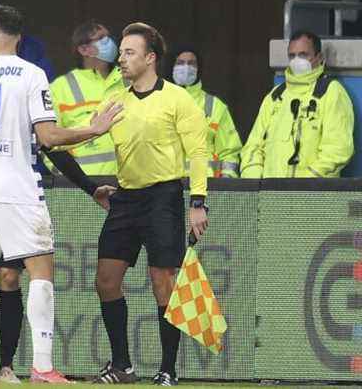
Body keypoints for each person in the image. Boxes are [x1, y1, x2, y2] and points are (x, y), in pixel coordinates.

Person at [0, 4, 122, 383]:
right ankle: (42, 366)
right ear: (19, 38)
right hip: (19, 189)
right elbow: (47, 137)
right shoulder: (32, 74)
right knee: (40, 270)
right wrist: (94, 130)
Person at [92, 22, 209, 386]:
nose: (121, 59)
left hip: (164, 197)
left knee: (164, 281)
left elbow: (198, 152)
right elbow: (85, 133)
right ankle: (122, 366)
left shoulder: (177, 98)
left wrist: (198, 202)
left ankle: (168, 370)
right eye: (121, 52)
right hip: (125, 198)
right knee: (106, 280)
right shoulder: (115, 99)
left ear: (150, 58)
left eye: (129, 52)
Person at [240, 30, 354, 178]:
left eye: (303, 55)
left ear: (319, 58)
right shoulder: (276, 96)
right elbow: (253, 146)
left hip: (312, 196)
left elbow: (338, 149)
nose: (297, 60)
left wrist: (305, 185)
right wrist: (255, 184)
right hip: (271, 196)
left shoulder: (331, 92)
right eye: (292, 56)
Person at [46, 21, 126, 175]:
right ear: (83, 49)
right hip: (84, 187)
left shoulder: (128, 80)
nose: (109, 42)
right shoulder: (60, 87)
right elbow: (49, 137)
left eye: (109, 37)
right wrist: (64, 175)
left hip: (129, 183)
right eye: (102, 38)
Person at [170, 46, 242, 178]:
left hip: (207, 187)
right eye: (180, 63)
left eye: (191, 63)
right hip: (165, 186)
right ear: (172, 67)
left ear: (199, 69)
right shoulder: (160, 101)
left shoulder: (215, 106)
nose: (186, 67)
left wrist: (227, 183)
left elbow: (229, 151)